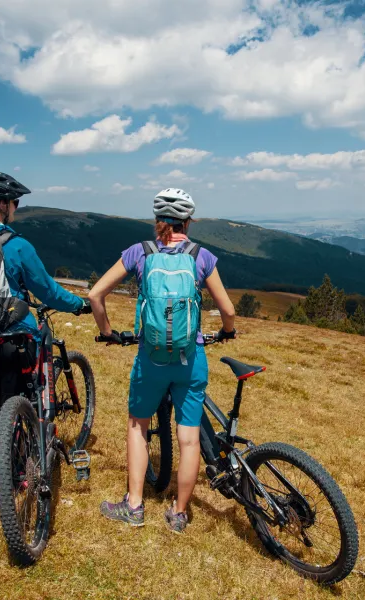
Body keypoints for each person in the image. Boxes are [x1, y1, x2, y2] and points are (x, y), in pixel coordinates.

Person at [91, 188, 236, 534]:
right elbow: (229, 311)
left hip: (150, 360)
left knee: (137, 426)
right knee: (189, 439)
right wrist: (227, 331)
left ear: (157, 221)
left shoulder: (139, 252)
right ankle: (179, 513)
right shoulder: (201, 256)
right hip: (190, 359)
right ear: (188, 222)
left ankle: (134, 506)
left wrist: (108, 332)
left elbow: (96, 294)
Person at [0, 172, 89, 478]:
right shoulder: (16, 245)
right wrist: (78, 304)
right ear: (2, 205)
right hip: (15, 336)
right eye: (14, 201)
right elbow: (48, 291)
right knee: (25, 396)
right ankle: (23, 463)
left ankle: (0, 456)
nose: (16, 206)